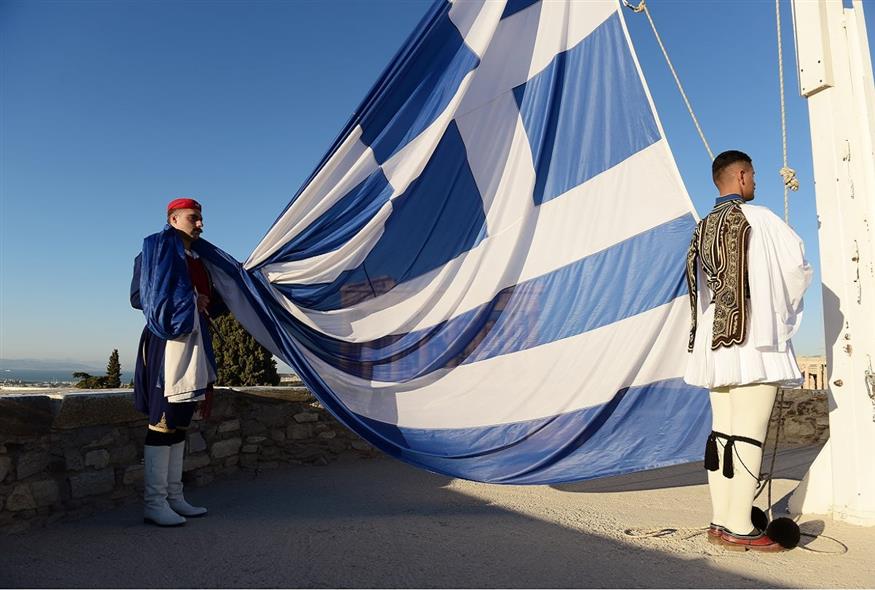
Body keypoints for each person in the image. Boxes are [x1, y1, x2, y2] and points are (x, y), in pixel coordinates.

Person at [684, 150, 812, 551]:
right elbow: (797, 270)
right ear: (740, 176)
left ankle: (721, 521)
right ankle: (741, 526)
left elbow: (699, 289)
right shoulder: (762, 219)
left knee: (721, 435)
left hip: (713, 338)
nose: (755, 181)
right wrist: (783, 317)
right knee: (748, 435)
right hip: (752, 337)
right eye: (753, 175)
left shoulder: (701, 227)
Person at [130, 198, 225, 526]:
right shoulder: (153, 254)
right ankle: (154, 503)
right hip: (167, 344)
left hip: (196, 344)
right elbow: (138, 298)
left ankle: (174, 496)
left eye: (200, 219)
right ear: (173, 219)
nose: (200, 224)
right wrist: (186, 299)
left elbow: (215, 302)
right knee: (162, 420)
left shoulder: (200, 259)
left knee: (180, 420)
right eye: (193, 218)